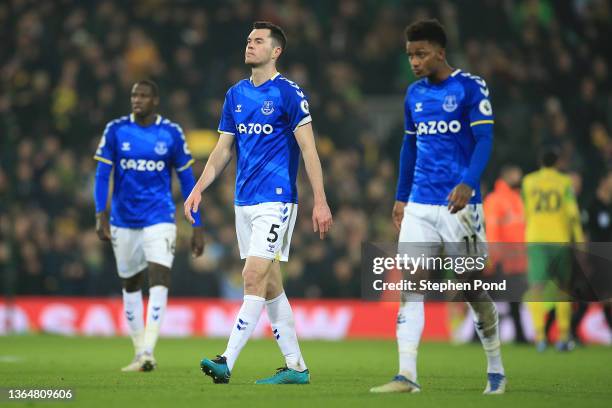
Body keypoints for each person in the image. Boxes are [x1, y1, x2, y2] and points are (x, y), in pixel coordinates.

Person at [183, 21, 332, 385]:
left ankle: (226, 361)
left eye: (258, 41)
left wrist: (320, 201)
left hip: (277, 200)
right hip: (243, 201)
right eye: (249, 40)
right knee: (269, 286)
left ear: (275, 51)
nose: (250, 45)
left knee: (252, 276)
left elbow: (308, 148)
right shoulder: (235, 94)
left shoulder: (288, 93)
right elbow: (222, 150)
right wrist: (199, 187)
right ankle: (296, 367)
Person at [370, 19, 505, 395]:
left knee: (470, 288)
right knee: (411, 286)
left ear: (440, 52)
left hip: (460, 206)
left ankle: (495, 366)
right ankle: (407, 375)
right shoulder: (413, 94)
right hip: (419, 205)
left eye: (421, 53)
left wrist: (468, 182)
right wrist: (400, 196)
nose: (414, 61)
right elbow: (409, 147)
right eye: (410, 54)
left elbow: (484, 139)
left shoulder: (469, 87)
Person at [94, 80, 204, 372]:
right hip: (123, 220)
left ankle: (148, 351)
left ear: (155, 100)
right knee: (130, 282)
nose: (137, 100)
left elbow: (187, 180)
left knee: (159, 275)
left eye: (143, 96)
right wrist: (99, 213)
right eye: (133, 95)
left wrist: (197, 223)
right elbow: (103, 174)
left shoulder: (170, 133)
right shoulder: (116, 130)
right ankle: (138, 349)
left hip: (160, 218)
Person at [522, 147, 584, 352]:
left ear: (541, 162)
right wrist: (580, 241)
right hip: (559, 239)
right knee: (562, 287)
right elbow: (572, 213)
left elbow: (526, 210)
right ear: (557, 163)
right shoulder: (564, 182)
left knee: (536, 288)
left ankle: (540, 336)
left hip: (536, 239)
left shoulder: (529, 181)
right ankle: (564, 336)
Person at [483, 165, 528, 343]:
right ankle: (518, 334)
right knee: (493, 296)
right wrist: (493, 256)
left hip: (516, 259)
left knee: (512, 297)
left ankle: (519, 334)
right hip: (500, 258)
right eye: (517, 174)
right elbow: (492, 230)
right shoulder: (495, 200)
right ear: (508, 175)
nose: (519, 178)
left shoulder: (518, 199)